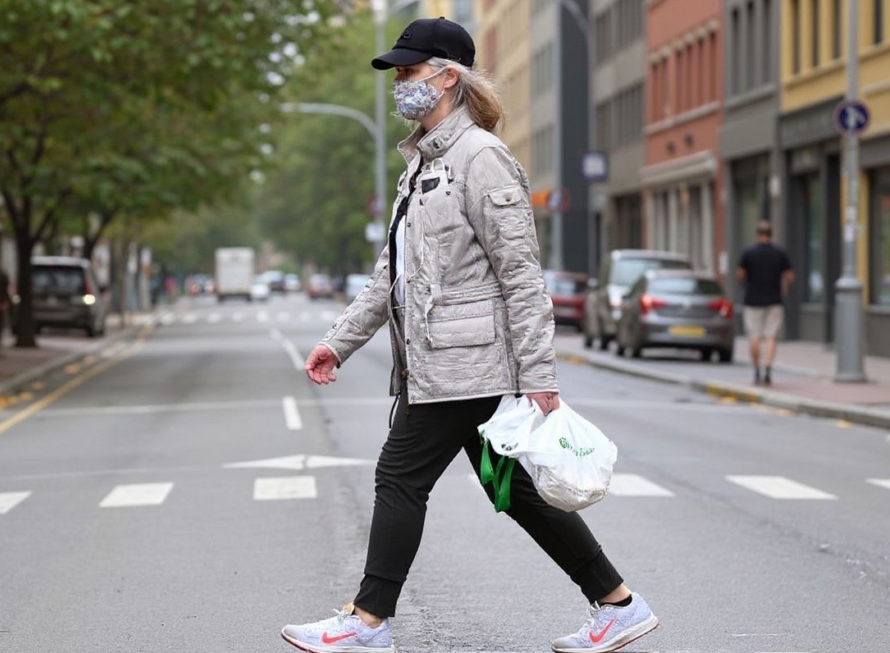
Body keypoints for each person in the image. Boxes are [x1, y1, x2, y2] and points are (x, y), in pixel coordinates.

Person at [280, 17, 659, 653]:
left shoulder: (479, 158)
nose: (400, 84)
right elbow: (390, 277)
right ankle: (618, 603)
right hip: (443, 363)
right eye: (397, 74)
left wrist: (538, 374)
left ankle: (369, 623)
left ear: (448, 77)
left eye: (409, 71)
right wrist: (339, 341)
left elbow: (522, 276)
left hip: (467, 364)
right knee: (514, 491)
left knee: (398, 477)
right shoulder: (422, 164)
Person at [737, 220, 794, 385]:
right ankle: (768, 369)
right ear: (771, 234)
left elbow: (740, 274)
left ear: (757, 234)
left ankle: (756, 371)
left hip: (752, 300)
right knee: (770, 337)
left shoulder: (748, 253)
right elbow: (790, 276)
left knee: (754, 337)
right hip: (774, 300)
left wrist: (748, 282)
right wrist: (782, 284)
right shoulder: (780, 253)